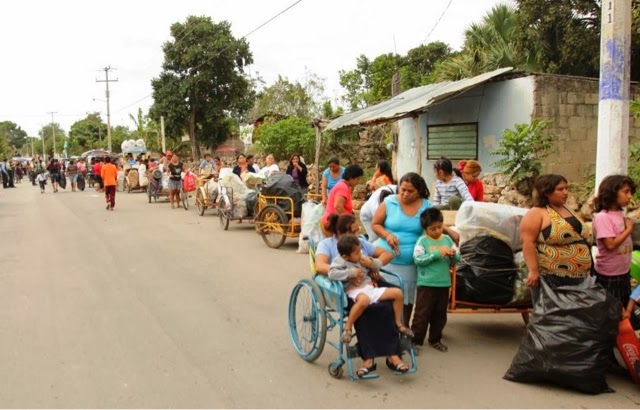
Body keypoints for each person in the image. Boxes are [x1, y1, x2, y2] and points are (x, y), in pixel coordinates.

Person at [315, 214, 409, 376]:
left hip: (369, 283)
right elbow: (321, 267)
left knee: (388, 304)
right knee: (366, 310)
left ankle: (393, 354)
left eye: (358, 231)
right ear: (341, 233)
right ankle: (368, 358)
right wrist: (349, 273)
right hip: (347, 289)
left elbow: (386, 254)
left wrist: (373, 265)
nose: (358, 235)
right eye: (353, 231)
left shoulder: (360, 243)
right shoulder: (327, 245)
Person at [371, 172, 433, 325]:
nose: (405, 194)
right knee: (384, 298)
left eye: (410, 191)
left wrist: (449, 232)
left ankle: (402, 329)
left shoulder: (427, 206)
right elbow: (375, 224)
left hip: (411, 263)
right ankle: (386, 331)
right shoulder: (389, 202)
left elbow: (434, 227)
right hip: (386, 261)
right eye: (402, 189)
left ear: (418, 190)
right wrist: (387, 236)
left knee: (407, 298)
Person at [520, 174, 592, 305]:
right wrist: (533, 271)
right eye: (560, 189)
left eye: (566, 188)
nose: (565, 192)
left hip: (579, 277)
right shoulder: (537, 213)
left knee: (576, 318)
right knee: (552, 319)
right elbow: (528, 243)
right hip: (551, 278)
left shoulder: (567, 209)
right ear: (546, 192)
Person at [329, 234, 414, 345]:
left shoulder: (362, 257)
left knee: (397, 293)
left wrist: (371, 263)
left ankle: (399, 324)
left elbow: (377, 265)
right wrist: (349, 273)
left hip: (369, 287)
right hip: (356, 289)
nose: (360, 254)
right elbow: (331, 273)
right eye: (357, 253)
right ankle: (348, 328)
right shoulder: (340, 261)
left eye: (360, 251)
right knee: (364, 301)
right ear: (346, 256)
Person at [411, 208, 460, 353]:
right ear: (425, 228)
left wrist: (453, 255)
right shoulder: (422, 241)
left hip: (444, 283)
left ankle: (435, 339)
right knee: (422, 314)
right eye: (433, 229)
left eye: (439, 227)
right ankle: (415, 341)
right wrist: (436, 254)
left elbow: (457, 258)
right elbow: (418, 259)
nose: (437, 231)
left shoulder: (447, 239)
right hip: (426, 284)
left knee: (440, 314)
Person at [593, 174, 637, 307]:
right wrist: (628, 230)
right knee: (612, 311)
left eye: (630, 192)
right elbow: (610, 245)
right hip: (610, 275)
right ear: (612, 193)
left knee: (623, 309)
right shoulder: (603, 217)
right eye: (625, 192)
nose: (629, 196)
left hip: (623, 271)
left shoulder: (619, 214)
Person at [320, 164, 364, 230]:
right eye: (358, 179)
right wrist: (351, 221)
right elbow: (338, 207)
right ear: (351, 177)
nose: (358, 181)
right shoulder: (342, 187)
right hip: (331, 225)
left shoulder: (344, 185)